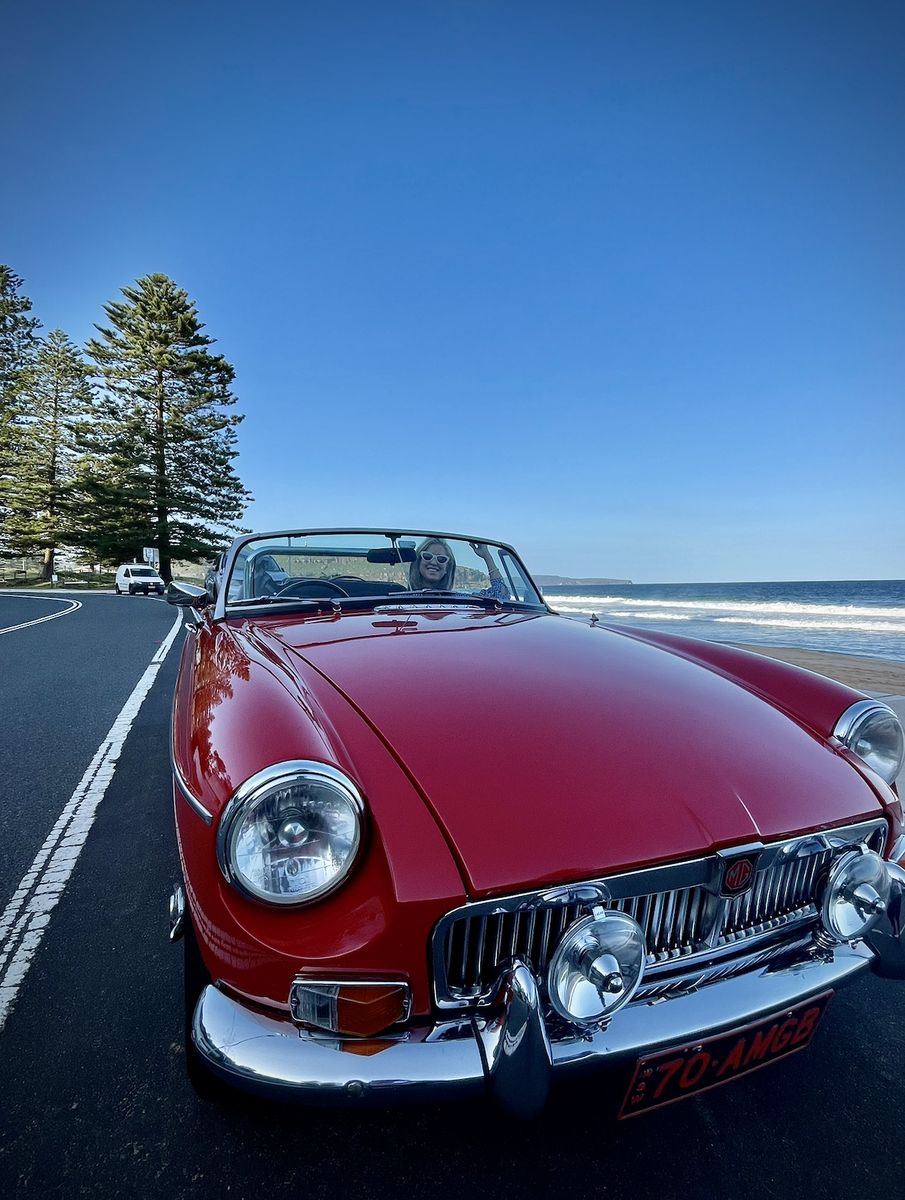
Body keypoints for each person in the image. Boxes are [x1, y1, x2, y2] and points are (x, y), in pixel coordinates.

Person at [408, 537, 509, 600]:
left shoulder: (458, 599)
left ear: (447, 568)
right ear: (418, 563)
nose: (434, 562)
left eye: (441, 559)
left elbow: (501, 594)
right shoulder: (398, 599)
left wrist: (487, 556)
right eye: (427, 556)